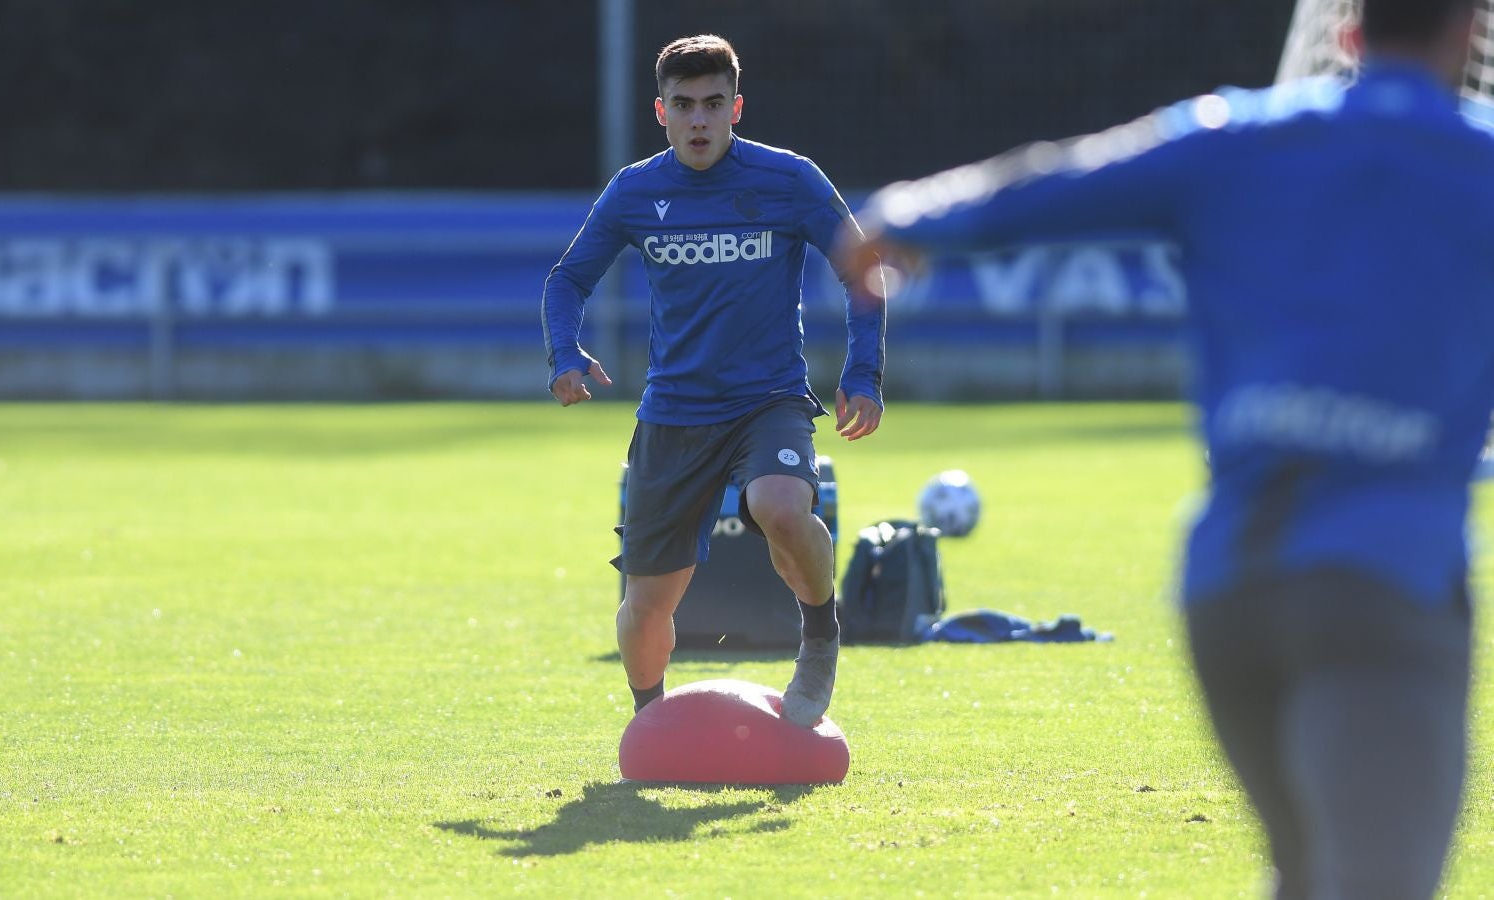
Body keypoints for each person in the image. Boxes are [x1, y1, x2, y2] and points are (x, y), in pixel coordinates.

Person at [835, 0, 1483, 896]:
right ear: (1466, 39)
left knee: (1303, 875)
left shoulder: (1235, 135)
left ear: (1346, 38)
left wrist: (902, 216)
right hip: (1386, 585)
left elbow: (1049, 180)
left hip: (1229, 594)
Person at [542, 35, 886, 727]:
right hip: (672, 414)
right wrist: (564, 355)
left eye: (712, 104)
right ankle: (650, 723)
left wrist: (863, 371)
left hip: (769, 401)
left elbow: (863, 269)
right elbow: (568, 280)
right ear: (659, 112)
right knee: (645, 611)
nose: (698, 120)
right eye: (683, 105)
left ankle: (818, 637)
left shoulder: (787, 179)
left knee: (781, 507)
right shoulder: (636, 191)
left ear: (736, 107)